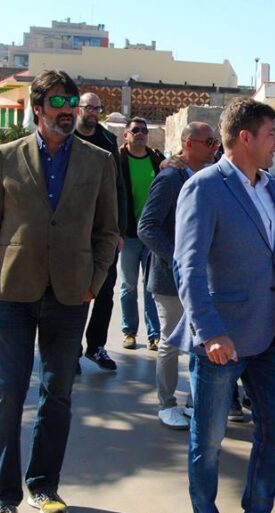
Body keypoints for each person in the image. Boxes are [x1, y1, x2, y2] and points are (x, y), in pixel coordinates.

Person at [0, 69, 118, 513]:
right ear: (37, 108)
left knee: (58, 394)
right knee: (6, 393)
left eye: (72, 103)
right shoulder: (7, 157)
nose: (67, 112)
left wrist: (93, 280)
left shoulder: (98, 160)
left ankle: (44, 485)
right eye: (58, 103)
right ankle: (3, 494)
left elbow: (108, 230)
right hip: (13, 292)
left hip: (70, 295)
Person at [173, 98, 275, 513]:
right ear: (245, 138)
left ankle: (258, 508)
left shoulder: (271, 186)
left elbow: (272, 254)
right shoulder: (203, 187)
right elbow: (187, 267)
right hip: (221, 341)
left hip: (269, 334)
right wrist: (209, 332)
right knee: (207, 441)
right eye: (271, 134)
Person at [138, 121, 217, 429]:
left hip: (200, 278)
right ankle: (166, 403)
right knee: (171, 342)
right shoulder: (170, 178)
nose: (213, 147)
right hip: (170, 279)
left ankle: (194, 403)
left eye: (214, 141)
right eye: (208, 142)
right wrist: (179, 259)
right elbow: (147, 227)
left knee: (201, 341)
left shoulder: (206, 175)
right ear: (188, 144)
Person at [75, 92, 127, 372]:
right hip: (74, 230)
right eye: (89, 107)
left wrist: (119, 230)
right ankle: (71, 350)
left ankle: (96, 346)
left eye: (98, 108)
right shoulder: (68, 137)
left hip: (103, 230)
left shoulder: (108, 140)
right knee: (76, 291)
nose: (94, 112)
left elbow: (118, 187)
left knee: (105, 291)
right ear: (79, 109)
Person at [118, 116, 163, 351]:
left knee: (150, 286)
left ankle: (154, 335)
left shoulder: (156, 160)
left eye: (144, 131)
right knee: (128, 286)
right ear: (126, 135)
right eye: (135, 130)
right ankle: (129, 331)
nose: (140, 134)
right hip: (127, 235)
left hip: (151, 236)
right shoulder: (118, 161)